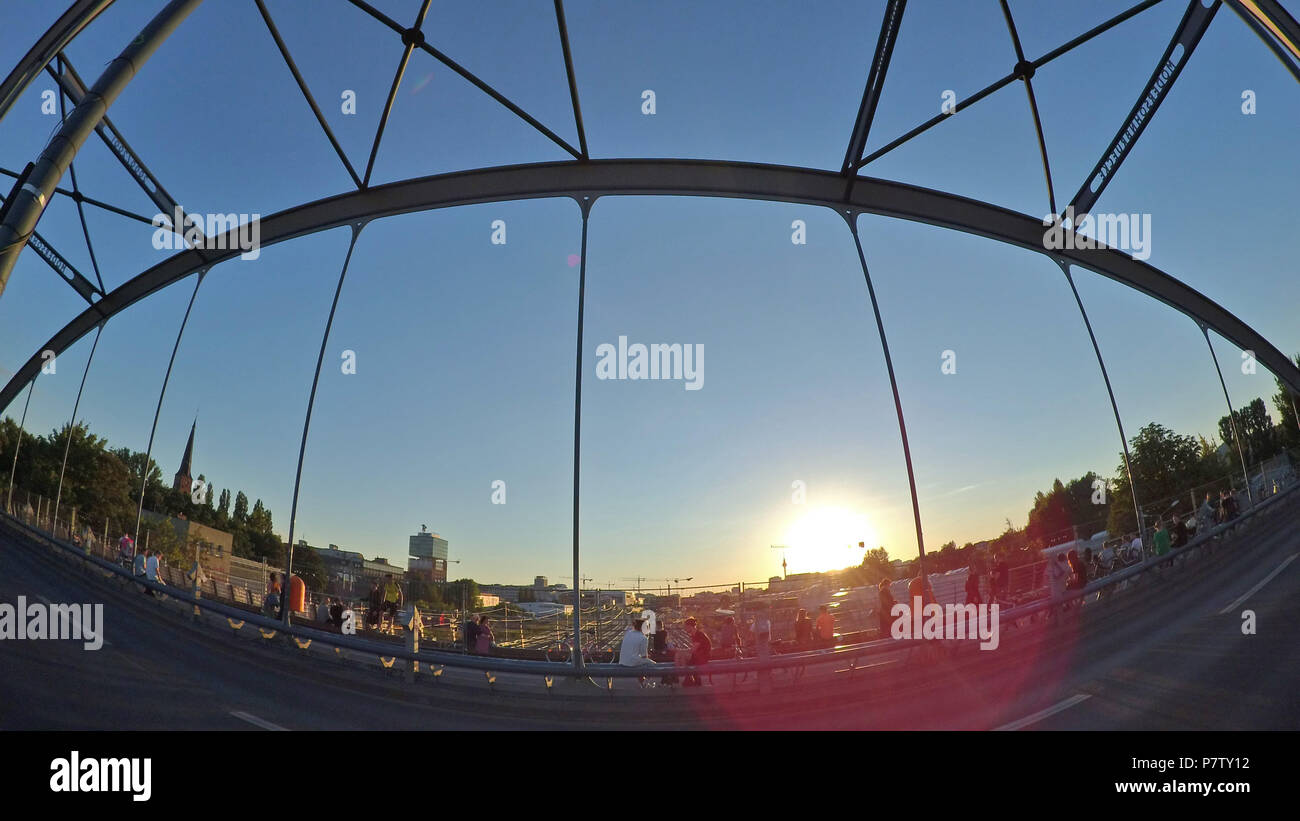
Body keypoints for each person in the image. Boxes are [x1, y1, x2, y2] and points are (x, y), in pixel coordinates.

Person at [677, 617, 711, 686]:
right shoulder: (694, 635)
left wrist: (681, 651)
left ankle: (685, 677)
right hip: (698, 656)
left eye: (685, 627)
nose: (685, 629)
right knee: (681, 655)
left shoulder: (698, 635)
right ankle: (689, 679)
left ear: (690, 626)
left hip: (703, 657)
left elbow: (693, 650)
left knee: (681, 655)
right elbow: (693, 650)